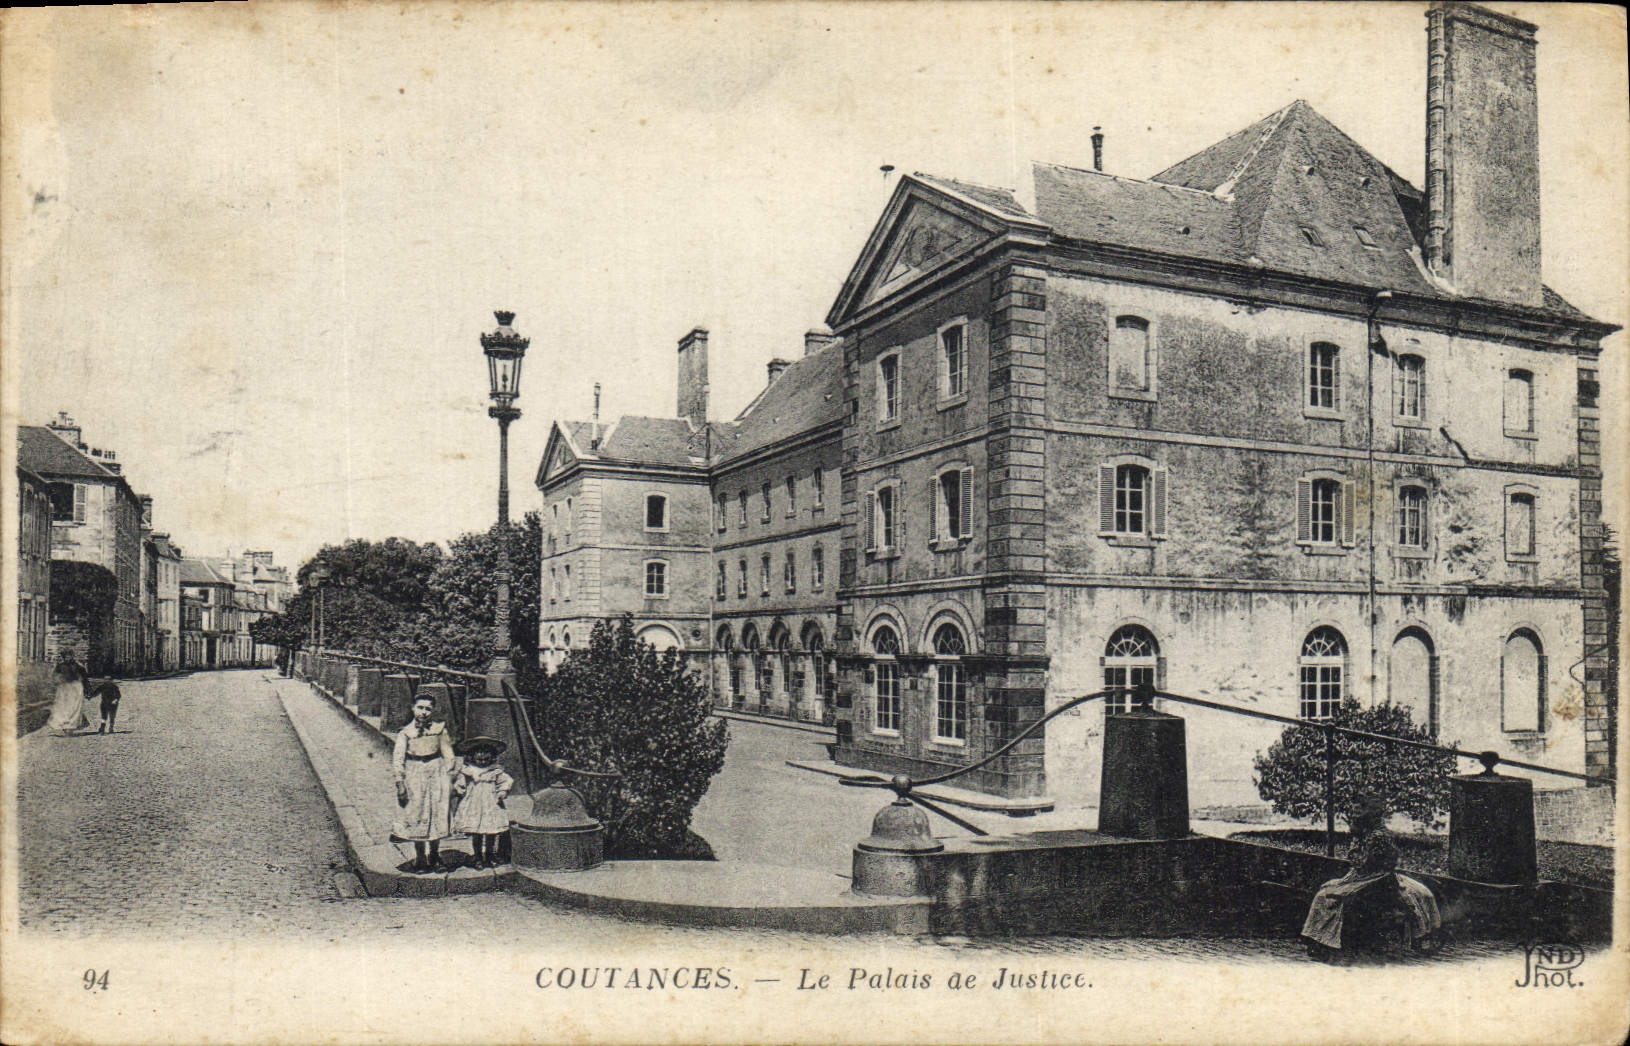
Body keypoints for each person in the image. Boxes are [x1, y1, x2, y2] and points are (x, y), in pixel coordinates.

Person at [1301, 799, 1442, 957]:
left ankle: (1324, 943)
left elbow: (1367, 862)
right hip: (1362, 876)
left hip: (1376, 878)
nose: (1353, 817)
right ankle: (1319, 940)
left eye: (1357, 814)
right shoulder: (1364, 835)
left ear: (1370, 816)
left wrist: (1360, 852)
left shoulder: (1378, 836)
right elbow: (1357, 862)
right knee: (1326, 891)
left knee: (1332, 896)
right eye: (1353, 815)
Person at [392, 692, 455, 873]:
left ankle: (435, 856)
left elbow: (448, 754)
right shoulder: (405, 733)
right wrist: (400, 782)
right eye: (420, 708)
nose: (424, 712)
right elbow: (398, 759)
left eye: (428, 708)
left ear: (433, 710)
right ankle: (420, 858)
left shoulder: (439, 729)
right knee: (416, 814)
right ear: (413, 708)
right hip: (414, 774)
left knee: (437, 813)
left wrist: (449, 776)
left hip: (436, 774)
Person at [452, 737, 515, 869]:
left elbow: (506, 781)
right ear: (472, 757)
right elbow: (460, 782)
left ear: (491, 758)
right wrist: (460, 788)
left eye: (486, 760)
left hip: (490, 803)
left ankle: (490, 855)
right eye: (479, 760)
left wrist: (502, 791)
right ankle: (478, 857)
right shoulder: (468, 770)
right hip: (474, 803)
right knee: (477, 833)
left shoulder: (496, 771)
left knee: (491, 831)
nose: (482, 763)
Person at [47, 658, 89, 735]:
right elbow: (55, 678)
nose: (67, 658)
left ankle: (70, 727)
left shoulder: (77, 666)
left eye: (69, 656)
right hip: (64, 688)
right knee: (64, 708)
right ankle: (66, 726)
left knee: (73, 708)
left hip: (75, 688)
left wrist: (87, 689)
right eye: (66, 656)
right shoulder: (60, 666)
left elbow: (84, 678)